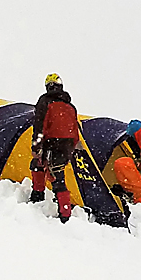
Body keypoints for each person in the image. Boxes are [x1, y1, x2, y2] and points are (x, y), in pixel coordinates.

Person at [30, 72, 81, 223]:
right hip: (66, 147)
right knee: (40, 166)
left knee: (57, 178)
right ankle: (38, 196)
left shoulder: (45, 102)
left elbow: (39, 125)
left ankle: (64, 215)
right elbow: (75, 131)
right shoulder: (70, 106)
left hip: (51, 143)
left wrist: (36, 145)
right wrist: (71, 148)